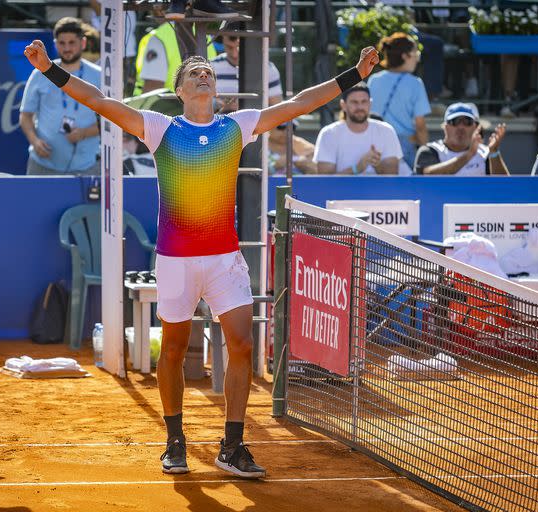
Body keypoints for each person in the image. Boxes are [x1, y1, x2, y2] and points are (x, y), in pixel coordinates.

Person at [24, 37, 379, 478]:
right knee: (171, 350)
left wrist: (354, 76)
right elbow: (96, 100)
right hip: (176, 260)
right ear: (179, 89)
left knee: (243, 346)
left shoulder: (239, 124)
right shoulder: (158, 127)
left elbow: (299, 104)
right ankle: (175, 441)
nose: (203, 73)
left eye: (207, 71)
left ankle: (232, 444)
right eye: (194, 71)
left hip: (225, 260)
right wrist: (47, 70)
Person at [20, 17, 101, 176]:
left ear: (83, 43)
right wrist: (34, 141)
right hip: (42, 164)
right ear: (55, 44)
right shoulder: (40, 73)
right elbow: (25, 115)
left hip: (86, 166)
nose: (67, 48)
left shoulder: (99, 75)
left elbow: (113, 120)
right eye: (62, 43)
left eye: (72, 42)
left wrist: (84, 133)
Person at [367, 32, 430, 168]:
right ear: (404, 56)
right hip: (404, 146)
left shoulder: (374, 80)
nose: (417, 59)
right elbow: (420, 126)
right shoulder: (415, 84)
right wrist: (425, 152)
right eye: (415, 54)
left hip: (376, 143)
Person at [313, 83, 403, 175]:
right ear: (343, 105)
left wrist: (377, 164)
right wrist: (357, 168)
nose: (360, 107)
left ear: (370, 103)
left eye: (364, 101)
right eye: (354, 102)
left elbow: (392, 178)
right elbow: (325, 181)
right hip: (342, 189)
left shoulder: (386, 130)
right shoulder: (329, 133)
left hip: (377, 189)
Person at [415, 103, 509, 176]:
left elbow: (506, 187)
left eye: (467, 122)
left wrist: (494, 152)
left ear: (475, 127)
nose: (461, 127)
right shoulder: (430, 150)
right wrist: (469, 155)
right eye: (455, 121)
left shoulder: (485, 153)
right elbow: (427, 175)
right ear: (445, 127)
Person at [210, 24, 283, 113]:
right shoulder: (211, 67)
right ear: (223, 41)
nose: (234, 54)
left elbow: (277, 110)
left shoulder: (268, 68)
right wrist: (218, 105)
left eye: (240, 48)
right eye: (229, 47)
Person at [133, 21, 217, 95]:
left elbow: (152, 88)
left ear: (158, 10)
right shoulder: (204, 36)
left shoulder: (159, 36)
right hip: (199, 105)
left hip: (168, 108)